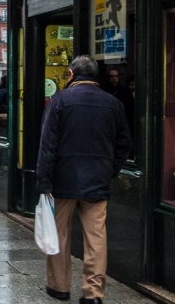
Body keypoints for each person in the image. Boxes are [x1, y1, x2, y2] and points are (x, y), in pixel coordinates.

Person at [36, 55, 131, 304]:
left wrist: (43, 181)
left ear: (70, 74)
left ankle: (59, 286)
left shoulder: (59, 100)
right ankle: (93, 292)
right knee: (96, 237)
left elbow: (47, 145)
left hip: (63, 179)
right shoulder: (113, 103)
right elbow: (124, 144)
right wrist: (111, 170)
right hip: (98, 180)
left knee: (59, 234)